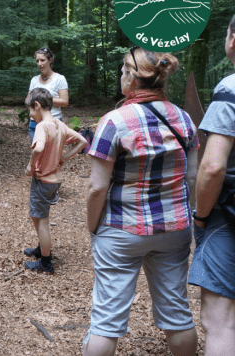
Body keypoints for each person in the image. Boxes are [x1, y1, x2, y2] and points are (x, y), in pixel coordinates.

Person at [83, 47, 198, 356]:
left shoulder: (113, 121)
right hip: (174, 229)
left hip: (122, 229)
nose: (122, 76)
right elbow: (192, 178)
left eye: (123, 71)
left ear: (132, 79)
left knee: (106, 322)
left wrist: (93, 227)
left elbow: (97, 188)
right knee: (178, 314)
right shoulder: (184, 119)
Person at [188, 15, 235, 356]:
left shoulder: (230, 89)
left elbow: (213, 165)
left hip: (228, 218)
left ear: (232, 41)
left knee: (220, 321)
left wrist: (201, 217)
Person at [23, 88, 86, 273]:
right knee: (37, 215)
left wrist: (30, 165)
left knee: (41, 220)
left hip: (43, 180)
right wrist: (64, 157)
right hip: (54, 181)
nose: (30, 115)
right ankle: (42, 248)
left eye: (30, 110)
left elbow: (37, 148)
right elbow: (82, 141)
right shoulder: (59, 124)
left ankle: (45, 262)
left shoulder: (42, 126)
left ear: (37, 105)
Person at [27, 46, 68, 204]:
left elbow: (64, 102)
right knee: (38, 155)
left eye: (42, 60)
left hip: (54, 124)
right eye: (37, 60)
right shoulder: (34, 80)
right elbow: (29, 99)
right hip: (35, 124)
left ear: (50, 60)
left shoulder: (59, 79)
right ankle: (40, 188)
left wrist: (45, 97)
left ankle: (53, 190)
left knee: (53, 156)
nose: (39, 63)